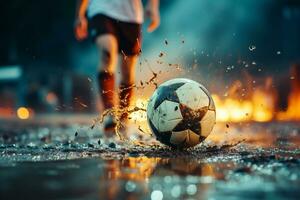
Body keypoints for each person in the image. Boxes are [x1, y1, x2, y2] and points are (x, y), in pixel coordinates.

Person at [75, 0, 160, 134]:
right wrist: (80, 15)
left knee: (127, 72)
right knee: (108, 52)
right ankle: (109, 113)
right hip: (101, 9)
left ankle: (123, 117)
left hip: (131, 16)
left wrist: (153, 5)